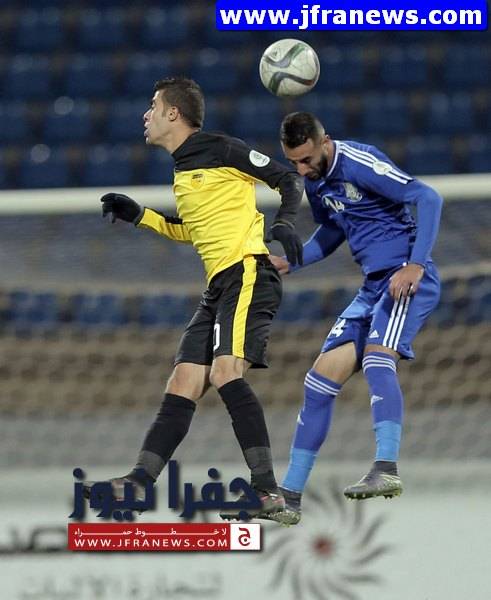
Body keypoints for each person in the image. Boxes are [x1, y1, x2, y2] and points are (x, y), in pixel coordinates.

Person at [85, 77, 305, 521]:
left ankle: (266, 491)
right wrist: (139, 215)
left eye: (153, 105)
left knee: (225, 373)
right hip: (219, 286)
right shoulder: (184, 169)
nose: (146, 114)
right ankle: (138, 483)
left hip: (247, 273)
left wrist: (284, 223)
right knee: (183, 380)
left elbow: (287, 179)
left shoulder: (222, 148)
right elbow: (190, 230)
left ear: (173, 113)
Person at [268, 112, 442, 525]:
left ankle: (386, 468)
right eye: (294, 162)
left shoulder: (360, 162)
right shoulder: (315, 180)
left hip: (404, 278)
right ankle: (289, 496)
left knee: (378, 359)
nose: (302, 170)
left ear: (324, 141)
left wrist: (416, 265)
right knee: (318, 380)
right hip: (372, 287)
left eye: (307, 159)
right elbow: (331, 231)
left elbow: (428, 197)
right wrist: (292, 261)